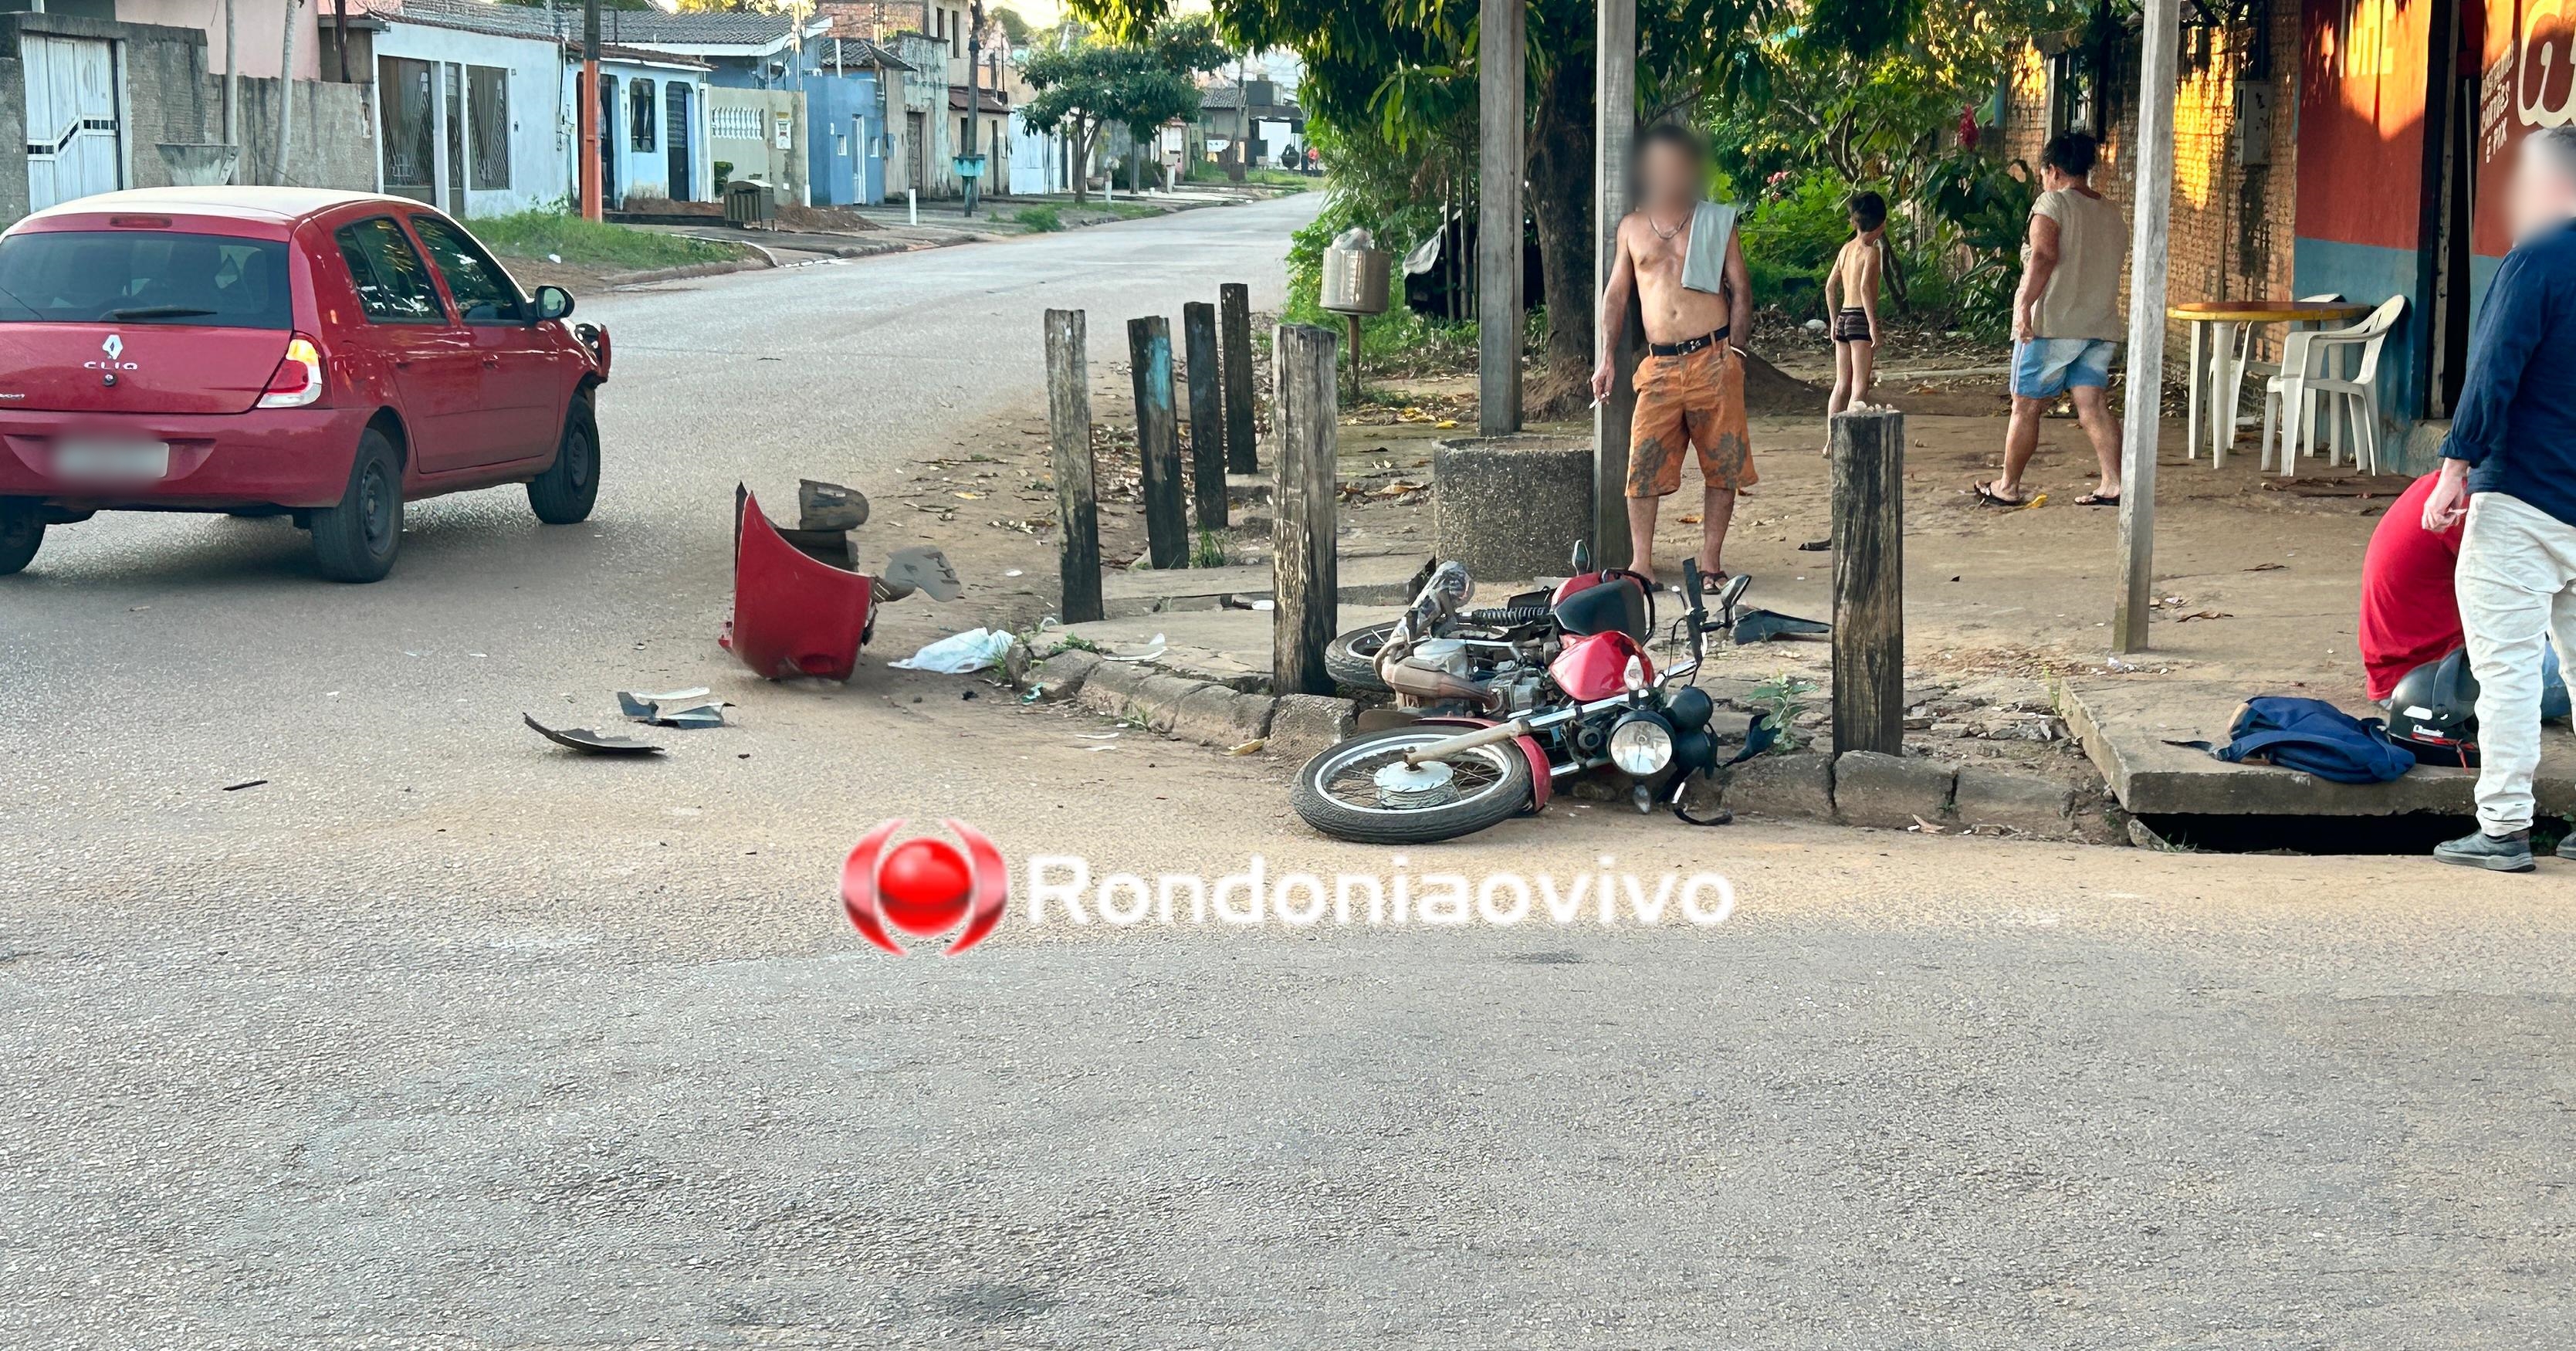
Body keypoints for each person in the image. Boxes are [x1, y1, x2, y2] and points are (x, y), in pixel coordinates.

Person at [2423, 124, 2576, 872]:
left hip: (2522, 498)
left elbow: (2491, 373)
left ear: (2551, 183)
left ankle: (2505, 827)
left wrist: (2454, 467)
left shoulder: (2535, 262)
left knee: (2507, 668)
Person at [1590, 122, 1755, 588]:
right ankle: (1641, 564)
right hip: (1659, 366)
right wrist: (1607, 357)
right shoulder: (1632, 228)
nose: (1667, 174)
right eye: (1658, 166)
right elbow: (1616, 295)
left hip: (1713, 357)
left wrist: (1736, 353)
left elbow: (1741, 289)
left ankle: (1710, 563)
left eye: (1676, 165)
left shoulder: (1715, 222)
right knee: (1642, 464)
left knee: (1723, 464)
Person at [1973, 131, 2127, 509]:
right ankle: (2114, 483)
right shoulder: (2111, 211)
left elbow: (2043, 256)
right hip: (2099, 325)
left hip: (2053, 326)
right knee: (2093, 405)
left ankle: (2008, 486)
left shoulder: (2052, 204)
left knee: (2025, 405)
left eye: (2044, 174)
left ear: (2053, 170)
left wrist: (2023, 305)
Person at [2361, 472, 2568, 710]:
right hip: (2428, 685)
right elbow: (2524, 595)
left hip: (2407, 672)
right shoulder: (2474, 505)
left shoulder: (2444, 486)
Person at [1822, 191, 1888, 454]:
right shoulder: (1871, 253)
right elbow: (1864, 289)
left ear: (1855, 222)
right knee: (1860, 386)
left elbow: (1829, 288)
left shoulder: (1846, 249)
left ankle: (1831, 441)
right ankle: (1848, 444)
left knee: (1841, 384)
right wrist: (1873, 326)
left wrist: (1832, 322)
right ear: (1882, 224)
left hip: (1842, 319)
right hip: (1860, 319)